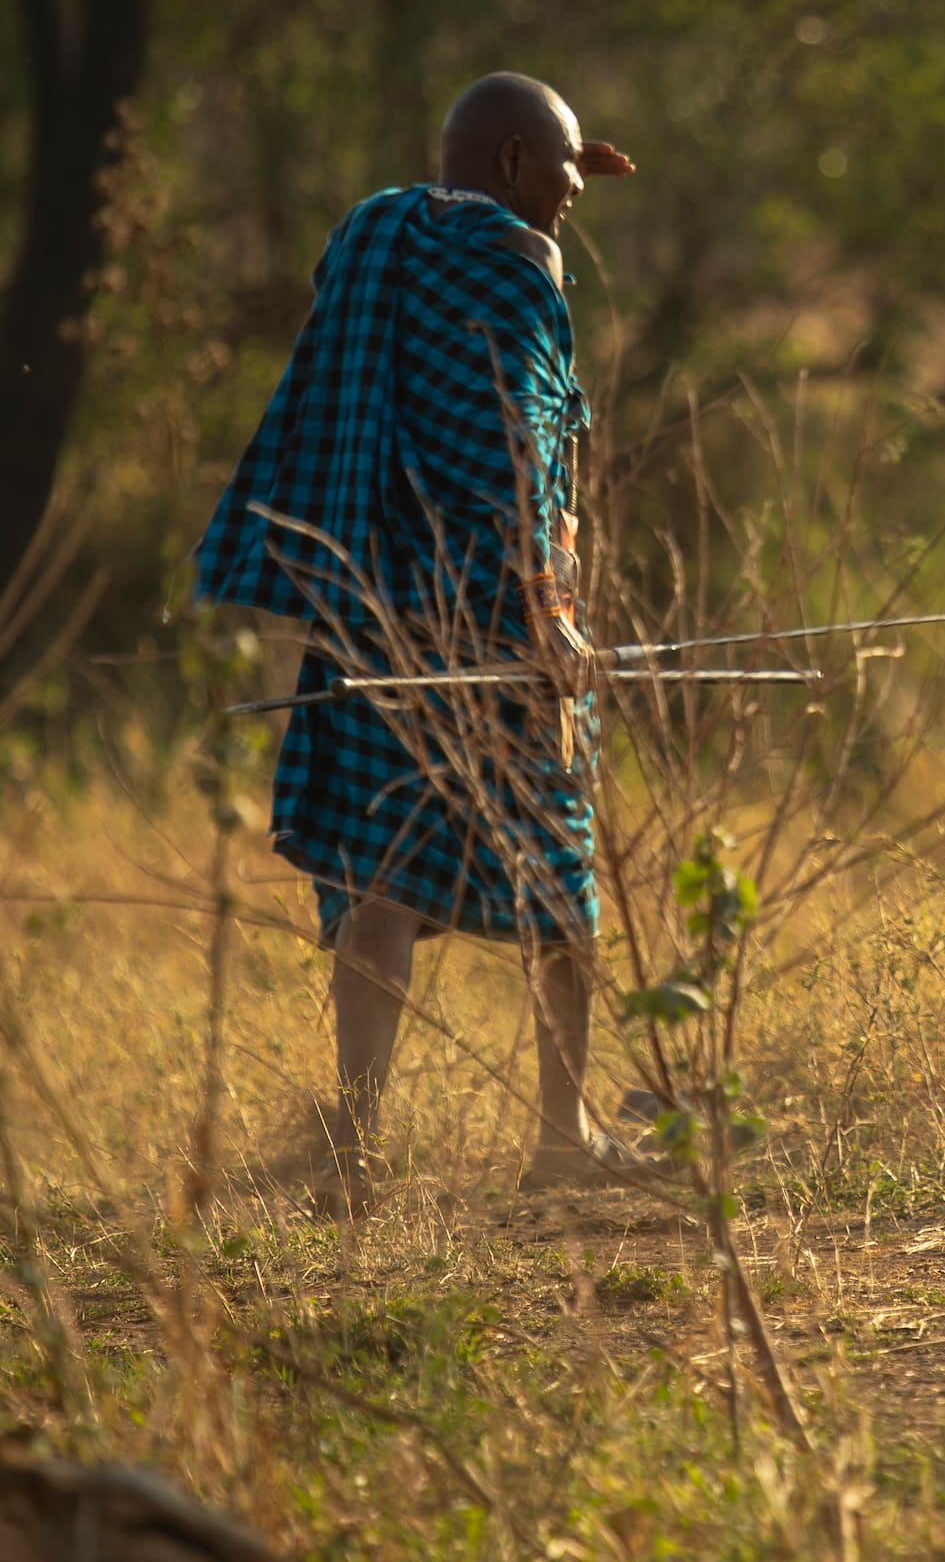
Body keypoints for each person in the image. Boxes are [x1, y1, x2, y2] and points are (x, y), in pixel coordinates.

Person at [194, 73, 636, 1210]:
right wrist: (555, 622)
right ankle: (559, 1134)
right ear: (506, 164)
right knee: (562, 878)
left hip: (372, 610)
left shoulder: (376, 234)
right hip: (496, 627)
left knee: (380, 880)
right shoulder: (519, 267)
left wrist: (574, 154)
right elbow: (525, 451)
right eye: (562, 171)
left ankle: (355, 1145)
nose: (573, 194)